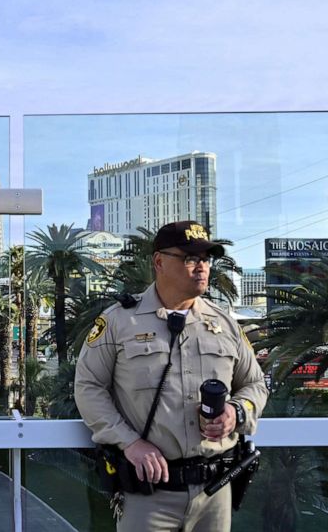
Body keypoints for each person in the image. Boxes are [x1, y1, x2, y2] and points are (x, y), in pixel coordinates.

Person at [74, 220, 268, 532]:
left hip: (215, 491)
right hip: (148, 495)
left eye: (206, 259)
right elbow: (88, 388)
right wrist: (130, 443)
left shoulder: (225, 324)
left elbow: (255, 384)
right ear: (159, 262)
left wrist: (235, 412)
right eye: (190, 259)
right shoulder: (119, 322)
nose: (201, 268)